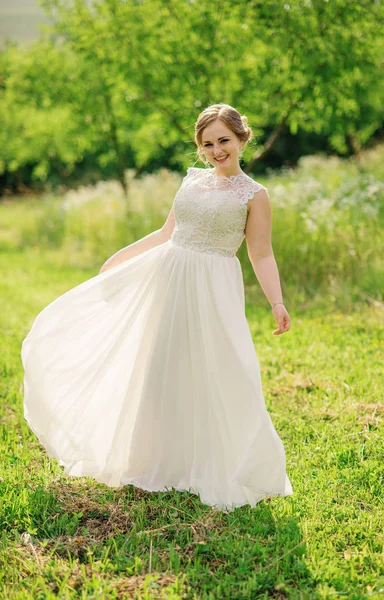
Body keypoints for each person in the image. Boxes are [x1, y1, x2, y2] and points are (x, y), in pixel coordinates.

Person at [21, 103, 293, 512]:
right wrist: (122, 256)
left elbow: (262, 253)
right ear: (199, 148)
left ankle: (217, 462)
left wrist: (277, 301)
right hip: (170, 274)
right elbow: (168, 232)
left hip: (213, 284)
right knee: (161, 362)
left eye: (223, 140)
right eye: (207, 144)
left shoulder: (255, 195)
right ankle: (151, 459)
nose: (217, 150)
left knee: (218, 366)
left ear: (240, 139)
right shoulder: (193, 182)